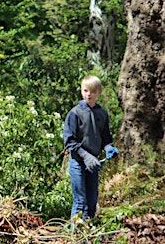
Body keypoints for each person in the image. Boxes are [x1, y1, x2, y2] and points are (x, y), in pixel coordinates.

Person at [63, 75, 119, 224]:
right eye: (86, 90)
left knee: (92, 202)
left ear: (99, 92)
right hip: (77, 162)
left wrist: (109, 148)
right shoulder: (74, 113)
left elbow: (105, 138)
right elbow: (69, 141)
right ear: (82, 91)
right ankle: (75, 236)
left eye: (92, 91)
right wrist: (85, 156)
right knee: (80, 201)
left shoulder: (102, 114)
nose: (89, 94)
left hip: (93, 164)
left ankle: (88, 235)